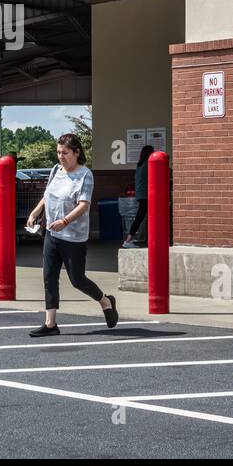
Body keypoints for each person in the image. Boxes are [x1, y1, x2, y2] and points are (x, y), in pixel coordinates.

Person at [25, 133, 118, 337]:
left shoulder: (85, 175)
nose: (61, 156)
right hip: (52, 233)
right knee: (49, 276)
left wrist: (65, 221)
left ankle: (105, 301)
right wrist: (36, 211)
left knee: (77, 280)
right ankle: (50, 324)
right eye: (58, 152)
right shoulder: (55, 170)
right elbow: (47, 194)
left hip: (73, 237)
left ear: (76, 153)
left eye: (65, 152)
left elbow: (84, 205)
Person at [122, 144, 154, 248]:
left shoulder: (140, 164)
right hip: (146, 195)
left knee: (141, 217)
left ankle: (129, 239)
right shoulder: (148, 164)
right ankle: (128, 240)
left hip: (141, 194)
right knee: (141, 217)